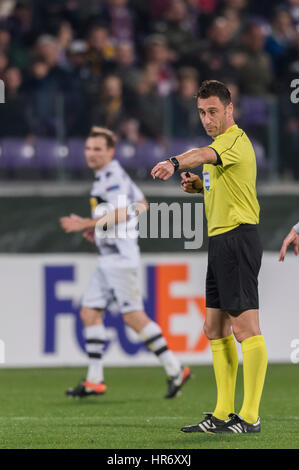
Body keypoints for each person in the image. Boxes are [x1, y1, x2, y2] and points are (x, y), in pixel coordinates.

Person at [151, 80, 267, 434]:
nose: (207, 118)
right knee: (214, 328)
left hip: (238, 239)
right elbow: (226, 182)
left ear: (230, 110)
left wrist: (173, 162)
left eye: (213, 111)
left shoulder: (232, 140)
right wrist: (200, 187)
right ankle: (221, 413)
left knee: (246, 329)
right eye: (202, 112)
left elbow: (202, 155)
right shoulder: (223, 148)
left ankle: (250, 417)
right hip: (220, 241)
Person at [60, 126, 190, 399]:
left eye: (97, 149)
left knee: (133, 317)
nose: (91, 154)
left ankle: (175, 368)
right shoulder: (110, 176)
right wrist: (101, 229)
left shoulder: (111, 176)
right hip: (110, 256)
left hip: (120, 259)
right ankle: (95, 379)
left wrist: (87, 223)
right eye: (88, 148)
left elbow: (120, 213)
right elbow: (141, 204)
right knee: (89, 312)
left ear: (110, 151)